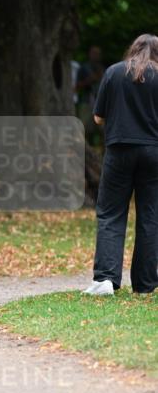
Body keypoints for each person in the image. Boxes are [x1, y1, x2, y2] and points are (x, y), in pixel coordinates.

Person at [82, 33, 158, 296]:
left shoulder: (114, 73)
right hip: (153, 152)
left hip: (119, 149)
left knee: (111, 213)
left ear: (133, 49)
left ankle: (105, 279)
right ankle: (146, 285)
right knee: (151, 215)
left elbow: (98, 118)